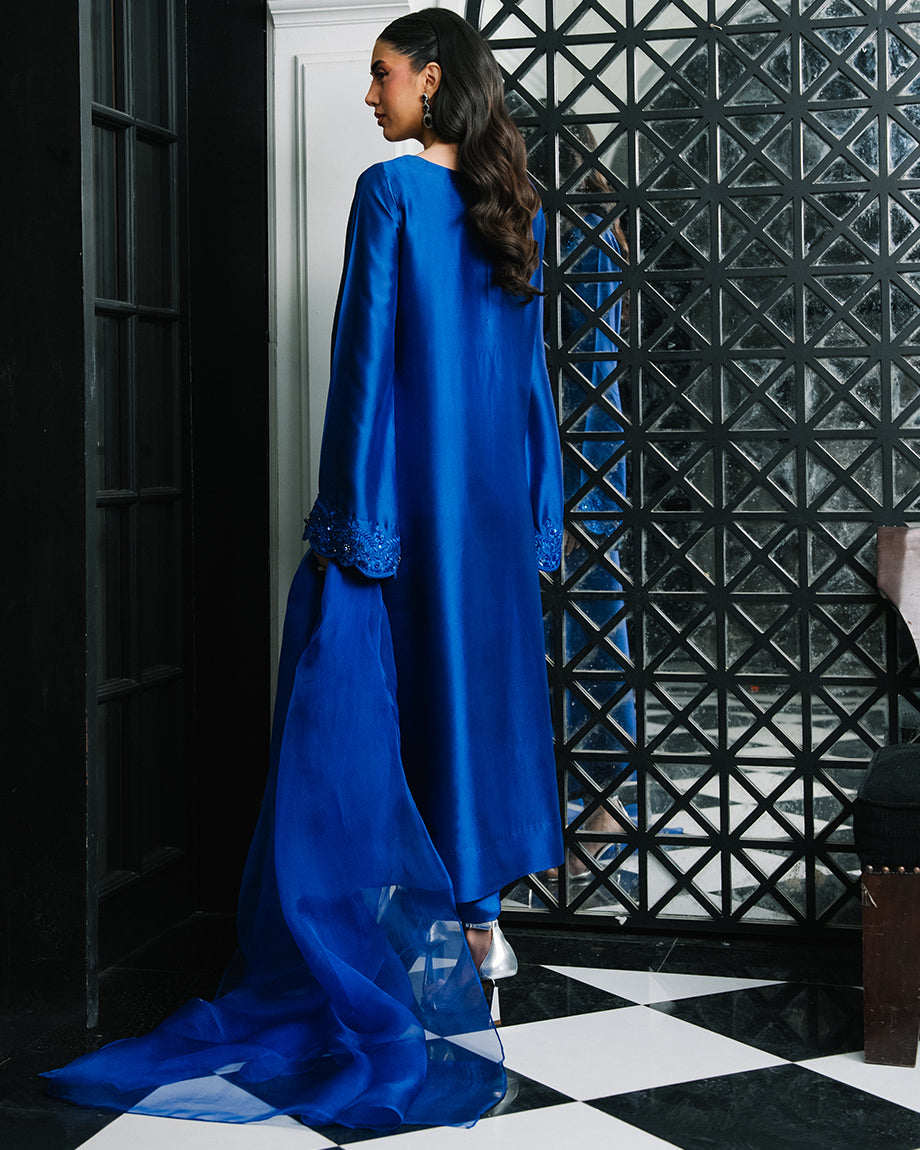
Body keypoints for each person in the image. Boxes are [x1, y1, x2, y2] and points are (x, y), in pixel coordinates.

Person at [43, 8, 563, 1133]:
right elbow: (532, 388)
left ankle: (424, 949)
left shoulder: (393, 195)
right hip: (488, 516)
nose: (368, 96)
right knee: (470, 707)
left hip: (408, 507)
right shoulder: (514, 206)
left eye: (382, 75)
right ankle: (479, 929)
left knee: (373, 712)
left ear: (433, 78)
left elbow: (362, 366)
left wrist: (352, 525)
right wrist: (540, 512)